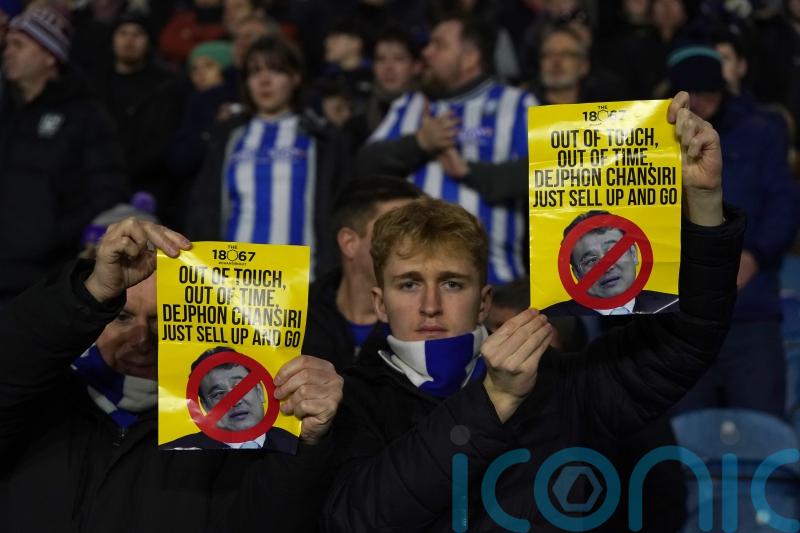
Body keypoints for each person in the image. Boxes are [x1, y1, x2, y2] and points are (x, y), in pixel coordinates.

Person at [322, 92, 745, 531]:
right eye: (409, 284)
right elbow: (356, 520)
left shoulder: (563, 384)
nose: (430, 305)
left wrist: (704, 200)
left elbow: (687, 339)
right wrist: (494, 399)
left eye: (452, 283)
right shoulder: (349, 400)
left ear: (484, 301)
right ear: (379, 304)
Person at [0, 218, 343, 532]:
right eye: (121, 316)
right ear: (94, 312)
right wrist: (90, 291)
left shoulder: (226, 432)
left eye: (159, 322)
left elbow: (265, 520)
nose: (140, 340)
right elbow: (15, 358)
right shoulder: (38, 398)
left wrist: (305, 443)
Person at [357, 13, 536, 285]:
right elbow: (363, 166)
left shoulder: (517, 104)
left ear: (470, 57)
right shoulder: (410, 105)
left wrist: (470, 172)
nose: (426, 53)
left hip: (497, 283)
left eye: (439, 45)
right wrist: (419, 143)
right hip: (414, 284)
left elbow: (548, 173)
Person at [668, 45, 799, 417]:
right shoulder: (655, 138)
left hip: (749, 309)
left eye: (709, 93)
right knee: (684, 438)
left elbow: (784, 204)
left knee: (762, 427)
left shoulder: (760, 133)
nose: (702, 103)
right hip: (682, 314)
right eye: (693, 95)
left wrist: (755, 255)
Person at [188, 36, 349, 277]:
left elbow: (339, 209)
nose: (264, 81)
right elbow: (204, 206)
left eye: (275, 71)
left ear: (295, 78)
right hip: (233, 281)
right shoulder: (228, 136)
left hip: (304, 282)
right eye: (255, 72)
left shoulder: (323, 138)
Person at [0, 6, 128, 304]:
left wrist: (51, 234)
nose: (8, 52)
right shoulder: (5, 109)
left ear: (49, 55)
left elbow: (109, 190)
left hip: (42, 280)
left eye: (19, 45)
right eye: (8, 44)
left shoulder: (85, 115)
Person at [302, 177, 423, 371]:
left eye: (420, 233)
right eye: (397, 231)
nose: (417, 245)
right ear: (349, 243)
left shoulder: (431, 318)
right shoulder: (294, 317)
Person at [91, 9, 185, 224]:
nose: (129, 40)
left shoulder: (167, 86)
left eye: (137, 34)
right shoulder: (94, 84)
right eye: (123, 33)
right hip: (99, 184)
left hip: (151, 189)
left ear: (148, 41)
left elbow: (165, 142)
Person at [542, 210, 679, 316]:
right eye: (591, 260)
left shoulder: (673, 304)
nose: (606, 267)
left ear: (633, 254)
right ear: (577, 274)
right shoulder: (551, 318)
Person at [162, 347, 297, 451]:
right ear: (205, 407)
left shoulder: (296, 444)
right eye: (218, 394)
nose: (235, 401)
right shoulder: (175, 451)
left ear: (260, 391)